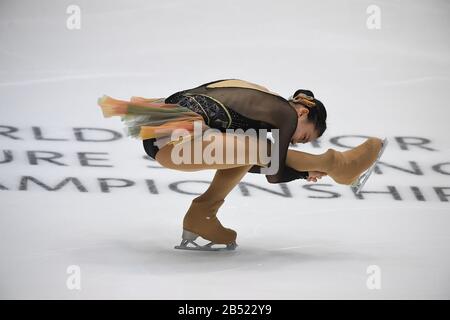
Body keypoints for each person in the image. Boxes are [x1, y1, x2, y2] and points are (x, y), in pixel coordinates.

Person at [98, 78, 385, 251]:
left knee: (251, 150)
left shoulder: (262, 103)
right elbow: (273, 173)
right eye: (304, 136)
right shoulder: (283, 113)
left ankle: (201, 217)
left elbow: (257, 163)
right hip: (174, 140)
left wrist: (300, 169)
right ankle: (339, 164)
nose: (296, 141)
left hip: (166, 135)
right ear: (301, 112)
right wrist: (304, 171)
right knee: (259, 148)